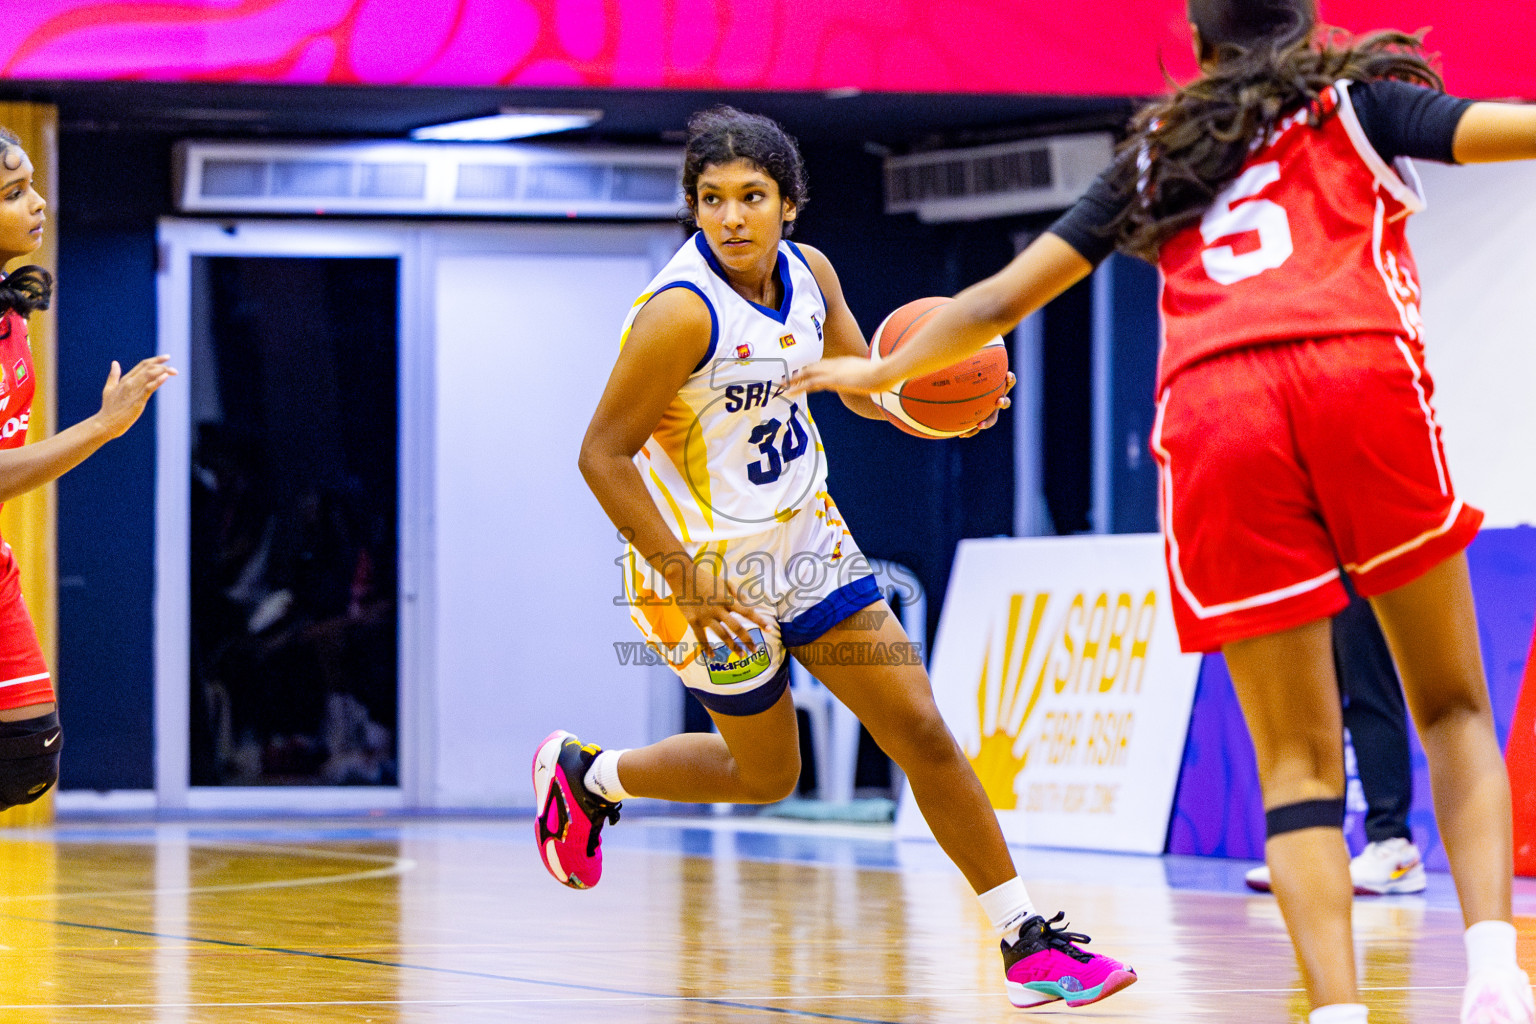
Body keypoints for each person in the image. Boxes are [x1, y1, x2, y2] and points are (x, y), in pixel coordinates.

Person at [788, 3, 1536, 1021]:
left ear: (1195, 45)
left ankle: (1338, 1009)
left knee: (1297, 765)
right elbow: (1518, 126)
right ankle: (1493, 973)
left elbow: (997, 303)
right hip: (1355, 368)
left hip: (1215, 409)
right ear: (1312, 25)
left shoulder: (1156, 157)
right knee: (1450, 706)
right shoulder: (1356, 104)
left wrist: (859, 371)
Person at [532, 106, 1136, 1010]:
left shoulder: (811, 274)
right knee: (766, 776)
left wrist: (930, 409)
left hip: (807, 543)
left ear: (789, 204)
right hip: (702, 571)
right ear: (693, 209)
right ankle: (593, 774)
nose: (731, 217)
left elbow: (862, 383)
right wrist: (690, 584)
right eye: (711, 199)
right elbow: (600, 456)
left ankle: (1027, 941)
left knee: (921, 727)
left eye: (751, 197)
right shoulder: (680, 315)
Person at [0, 128, 175, 810]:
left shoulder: (12, 318)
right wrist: (102, 428)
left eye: (32, 186)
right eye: (14, 193)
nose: (39, 203)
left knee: (26, 759)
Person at [1247, 585, 1426, 896]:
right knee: (1309, 688)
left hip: (1356, 551)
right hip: (1303, 551)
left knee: (1365, 674)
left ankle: (1393, 845)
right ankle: (1318, 847)